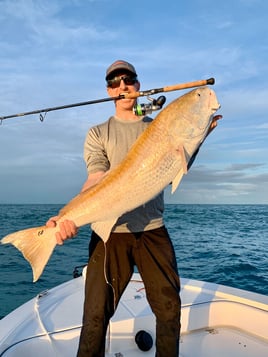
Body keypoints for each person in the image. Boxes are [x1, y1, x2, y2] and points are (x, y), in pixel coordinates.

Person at [47, 60, 222, 357]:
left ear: (138, 86)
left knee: (169, 313)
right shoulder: (98, 133)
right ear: (108, 90)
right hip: (110, 233)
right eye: (114, 82)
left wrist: (200, 135)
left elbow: (175, 167)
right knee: (95, 318)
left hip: (153, 228)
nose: (122, 85)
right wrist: (65, 216)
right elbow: (96, 178)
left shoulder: (158, 127)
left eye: (128, 79)